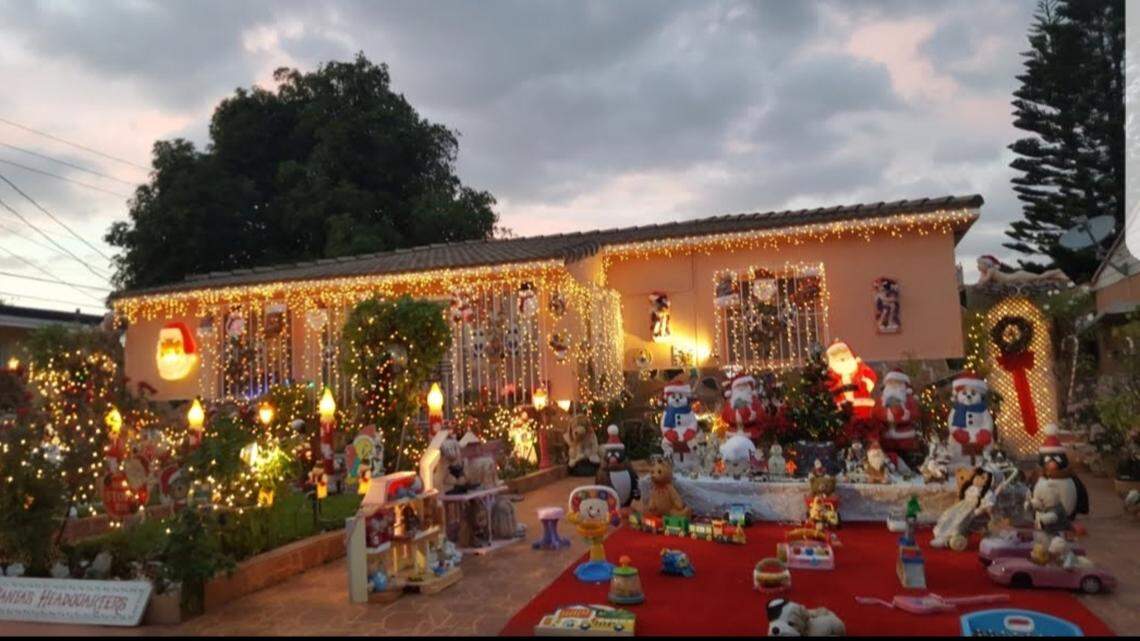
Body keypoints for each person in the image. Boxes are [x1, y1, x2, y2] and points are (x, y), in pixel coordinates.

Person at [930, 467, 996, 548]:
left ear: (986, 483)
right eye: (977, 476)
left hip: (972, 511)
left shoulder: (987, 493)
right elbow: (965, 499)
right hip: (962, 507)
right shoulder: (971, 488)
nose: (977, 479)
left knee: (959, 520)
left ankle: (947, 537)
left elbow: (987, 507)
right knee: (949, 516)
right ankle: (941, 535)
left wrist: (978, 511)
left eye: (982, 478)